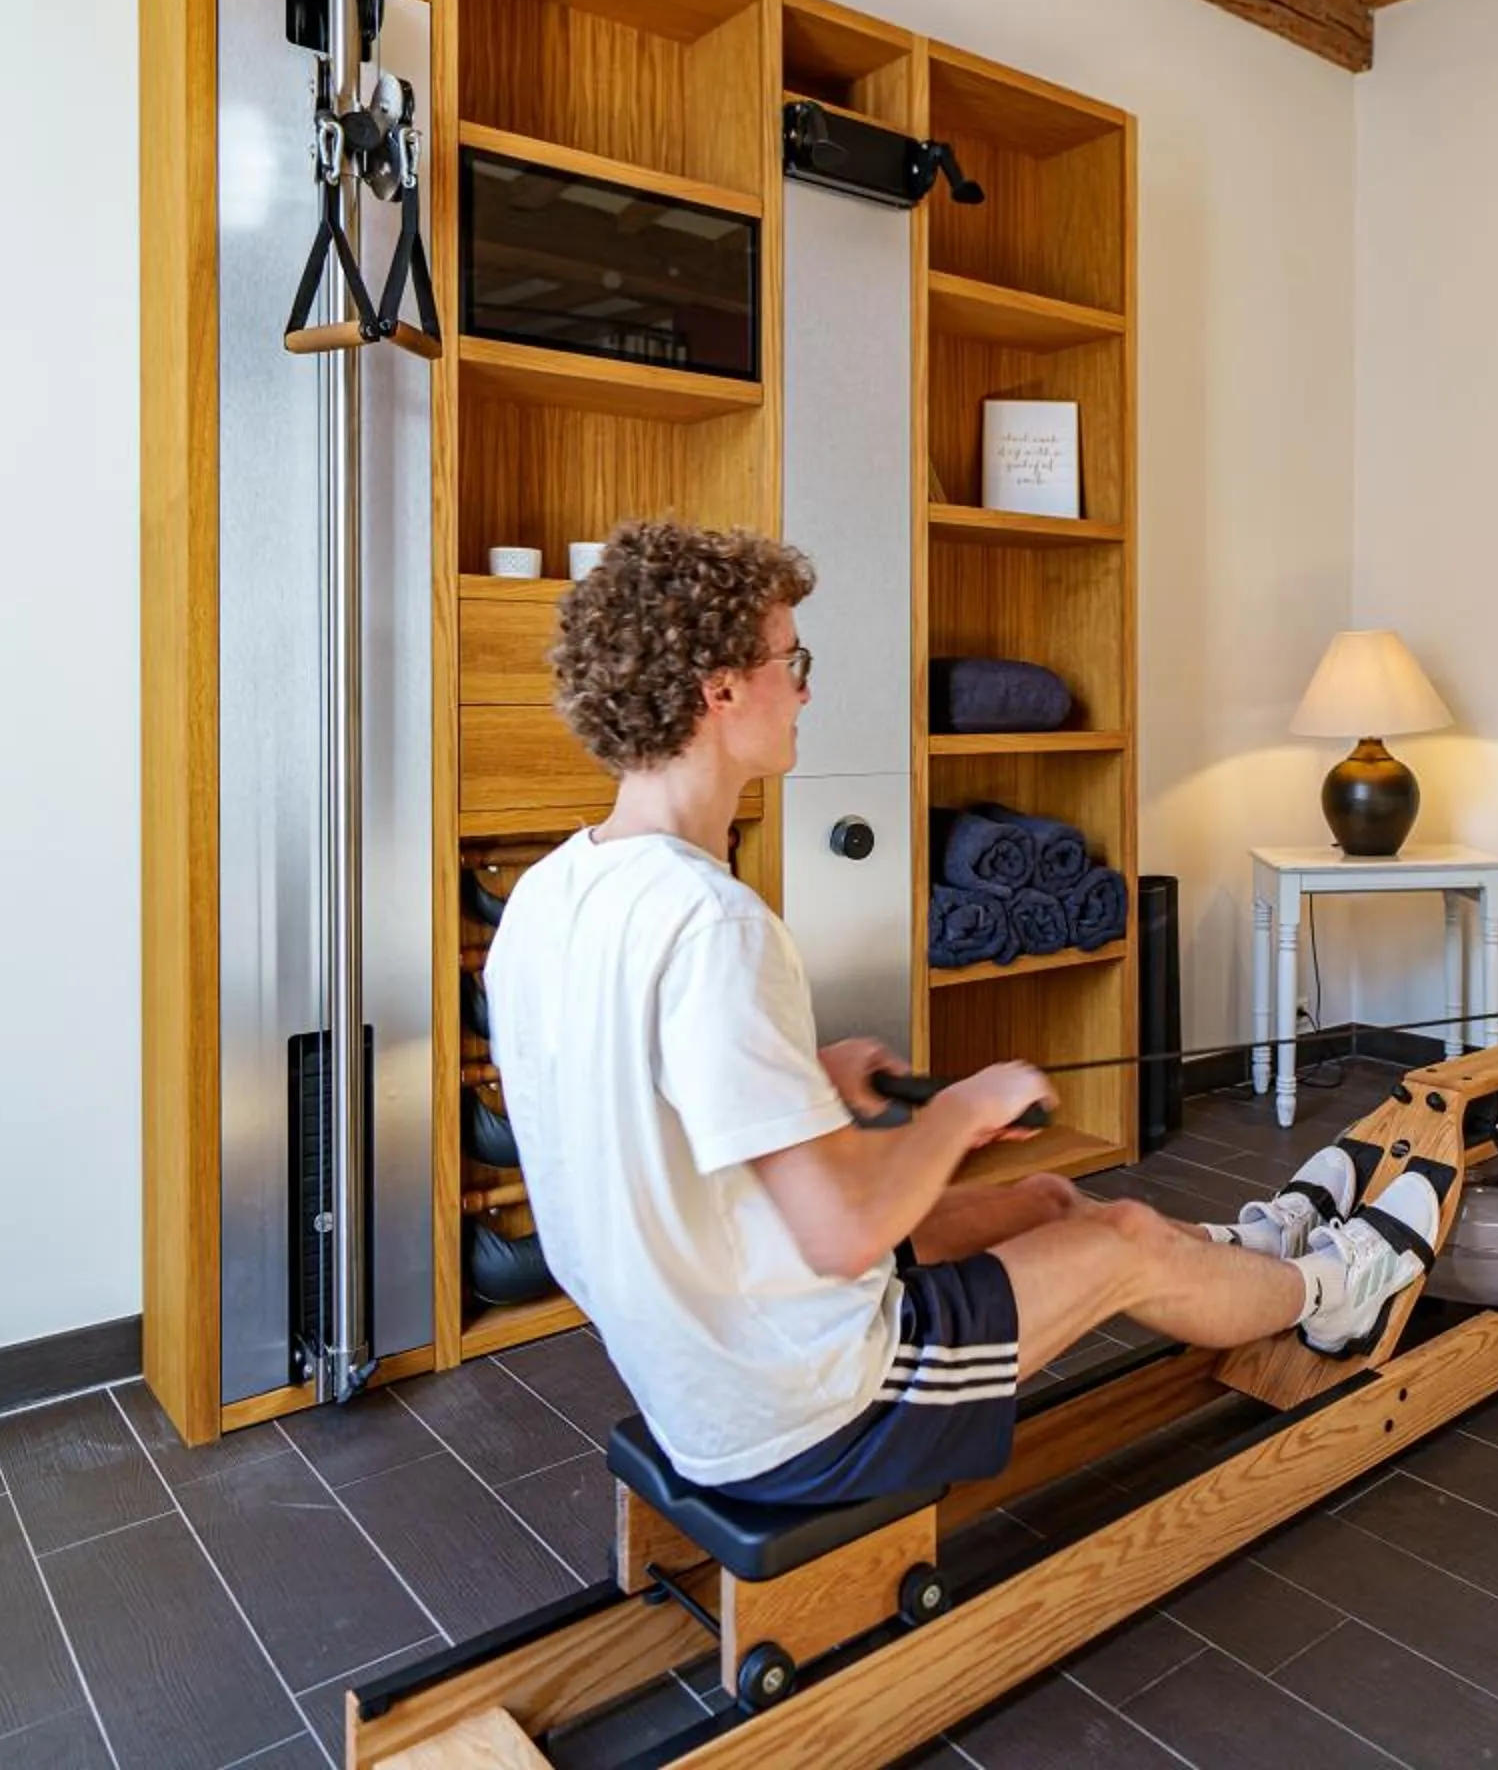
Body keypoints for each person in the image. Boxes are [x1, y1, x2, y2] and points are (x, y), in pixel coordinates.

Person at [483, 520, 1438, 1507]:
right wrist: (964, 1110)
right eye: (790, 658)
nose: (806, 685)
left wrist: (810, 1083)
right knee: (1124, 1247)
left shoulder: (551, 897)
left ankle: (1262, 1249)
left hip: (703, 1356)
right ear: (719, 687)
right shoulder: (713, 921)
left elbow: (639, 1120)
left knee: (1050, 1204)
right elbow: (845, 1235)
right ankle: (1338, 1296)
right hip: (806, 1406)